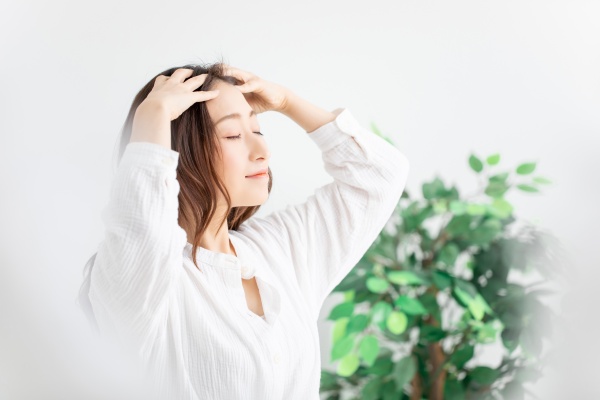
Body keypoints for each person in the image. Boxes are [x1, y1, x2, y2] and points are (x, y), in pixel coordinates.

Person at [78, 61, 410, 399]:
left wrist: (287, 102)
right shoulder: (138, 282)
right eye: (234, 134)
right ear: (180, 151)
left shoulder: (279, 249)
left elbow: (379, 176)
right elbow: (141, 230)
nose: (262, 151)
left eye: (258, 131)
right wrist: (153, 116)